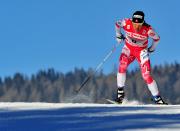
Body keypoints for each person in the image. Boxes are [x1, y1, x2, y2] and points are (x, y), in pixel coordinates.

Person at [115, 11, 167, 104]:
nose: (136, 26)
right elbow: (117, 24)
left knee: (146, 76)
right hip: (128, 48)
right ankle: (120, 94)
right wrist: (118, 35)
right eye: (135, 24)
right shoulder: (126, 22)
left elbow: (157, 39)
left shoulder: (148, 29)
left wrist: (151, 49)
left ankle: (158, 99)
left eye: (139, 24)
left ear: (143, 22)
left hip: (141, 51)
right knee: (122, 65)